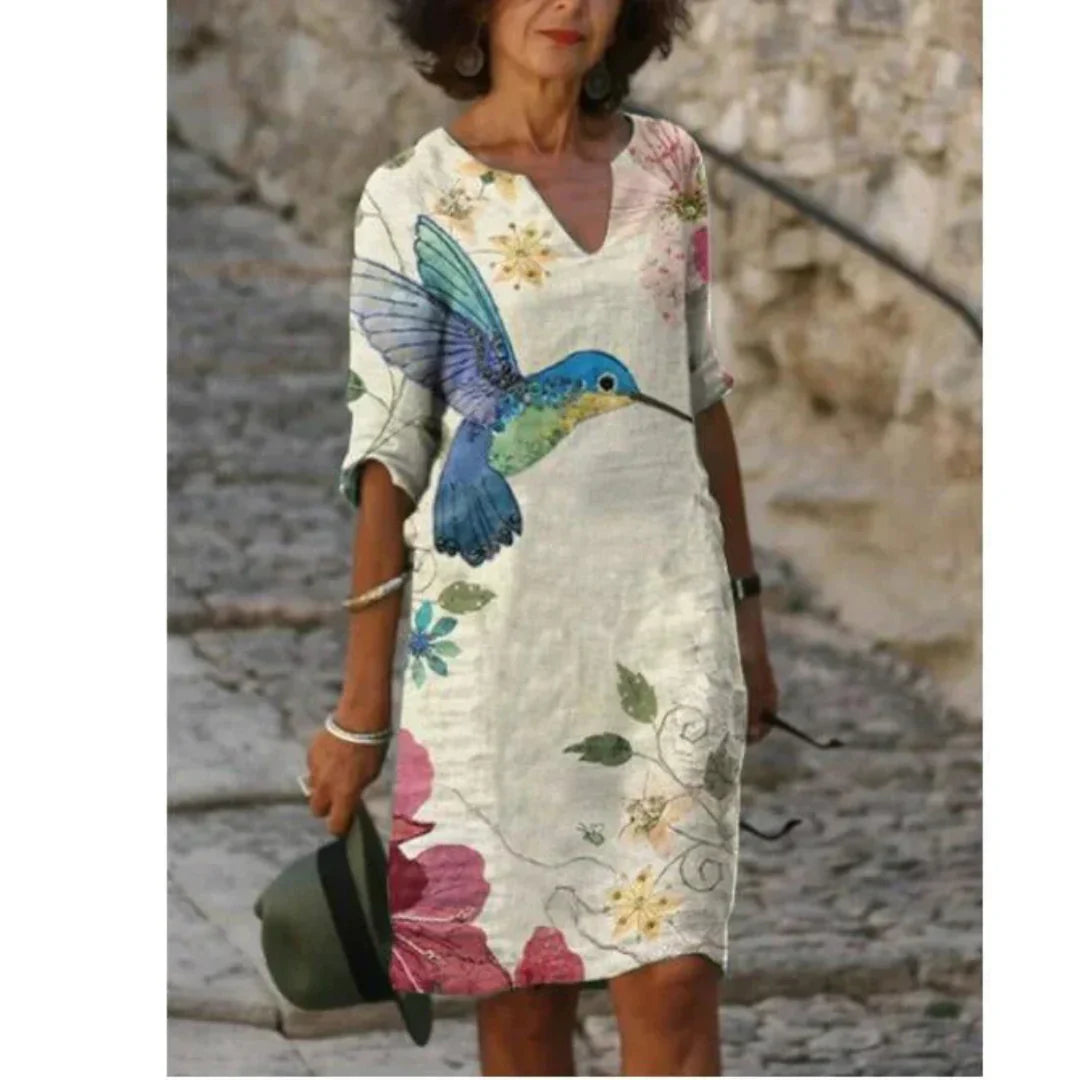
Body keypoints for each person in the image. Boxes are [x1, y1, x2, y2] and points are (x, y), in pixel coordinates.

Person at [305, 0, 780, 1074]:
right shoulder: (411, 194)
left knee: (675, 982)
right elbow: (387, 450)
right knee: (524, 1002)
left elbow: (700, 396)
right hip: (496, 651)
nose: (565, 4)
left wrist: (747, 619)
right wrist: (360, 709)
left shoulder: (671, 167)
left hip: (668, 630)